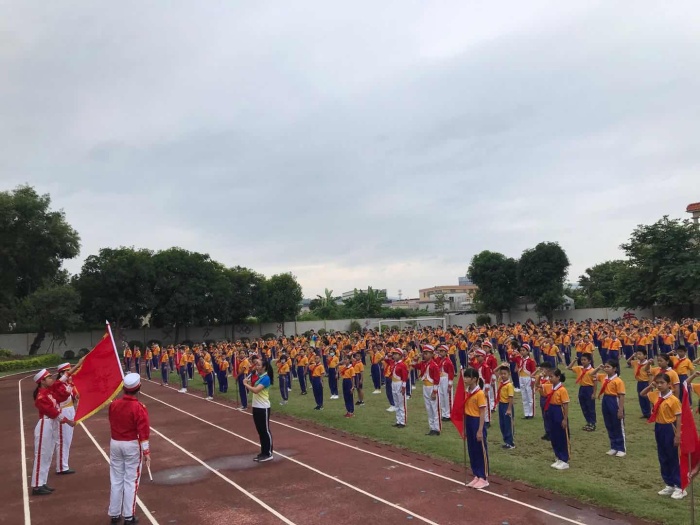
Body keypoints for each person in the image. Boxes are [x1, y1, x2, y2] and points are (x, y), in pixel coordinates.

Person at [108, 373, 150, 524]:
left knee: (116, 479)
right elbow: (143, 431)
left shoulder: (114, 404)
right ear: (139, 388)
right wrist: (146, 451)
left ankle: (114, 513)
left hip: (115, 442)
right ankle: (128, 516)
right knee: (131, 480)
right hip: (131, 444)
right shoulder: (139, 407)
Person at [31, 369, 76, 496]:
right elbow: (52, 412)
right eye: (49, 378)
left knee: (48, 455)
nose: (52, 379)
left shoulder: (49, 391)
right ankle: (36, 485)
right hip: (45, 424)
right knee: (41, 455)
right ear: (42, 381)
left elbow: (60, 383)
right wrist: (68, 421)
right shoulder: (41, 396)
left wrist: (76, 367)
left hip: (51, 423)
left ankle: (42, 482)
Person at [640, 373, 685, 500]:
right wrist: (651, 386)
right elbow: (642, 394)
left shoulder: (673, 400)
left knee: (672, 456)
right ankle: (669, 483)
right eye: (657, 382)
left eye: (662, 383)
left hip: (669, 428)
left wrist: (677, 435)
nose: (659, 385)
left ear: (669, 384)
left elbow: (679, 417)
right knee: (662, 456)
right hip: (659, 427)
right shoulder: (656, 395)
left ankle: (679, 486)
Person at [54, 361, 84, 475]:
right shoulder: (59, 385)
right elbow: (64, 395)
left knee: (68, 440)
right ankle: (62, 467)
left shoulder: (69, 384)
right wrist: (71, 385)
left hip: (70, 410)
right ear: (62, 373)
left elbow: (75, 396)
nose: (70, 373)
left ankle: (63, 464)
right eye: (68, 371)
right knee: (63, 440)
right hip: (63, 412)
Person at [462, 367, 489, 489]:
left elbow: (482, 412)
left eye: (468, 377)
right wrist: (464, 427)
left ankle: (483, 477)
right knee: (472, 449)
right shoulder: (467, 392)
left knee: (480, 450)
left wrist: (480, 430)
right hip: (469, 420)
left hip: (477, 421)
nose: (465, 379)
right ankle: (476, 474)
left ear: (474, 379)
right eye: (465, 376)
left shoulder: (480, 394)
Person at [243, 359, 274, 462]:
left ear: (264, 367)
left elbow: (256, 390)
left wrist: (245, 384)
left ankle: (268, 453)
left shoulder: (266, 378)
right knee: (260, 431)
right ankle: (263, 452)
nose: (257, 366)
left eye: (259, 365)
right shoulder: (259, 377)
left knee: (265, 430)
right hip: (256, 406)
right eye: (256, 365)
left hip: (263, 407)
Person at [595, 359, 627, 457]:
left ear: (614, 369)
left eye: (608, 367)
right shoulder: (603, 377)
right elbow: (591, 374)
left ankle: (621, 448)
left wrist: (620, 410)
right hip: (606, 399)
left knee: (617, 424)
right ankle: (614, 446)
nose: (606, 368)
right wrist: (598, 368)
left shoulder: (618, 381)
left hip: (614, 400)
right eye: (605, 367)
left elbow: (621, 396)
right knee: (609, 424)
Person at [544, 369, 570, 470]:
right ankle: (558, 456)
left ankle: (564, 459)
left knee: (561, 436)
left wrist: (565, 419)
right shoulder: (550, 387)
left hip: (559, 411)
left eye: (552, 377)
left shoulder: (562, 390)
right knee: (554, 435)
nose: (550, 379)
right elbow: (537, 385)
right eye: (549, 377)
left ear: (558, 377)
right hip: (551, 411)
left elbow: (565, 405)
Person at [566, 352, 596, 431]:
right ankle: (588, 421)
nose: (583, 361)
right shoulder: (579, 368)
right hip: (582, 388)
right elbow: (569, 368)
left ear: (589, 361)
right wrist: (574, 360)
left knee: (590, 407)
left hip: (589, 388)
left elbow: (595, 383)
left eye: (585, 360)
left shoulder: (593, 370)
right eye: (582, 360)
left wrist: (594, 393)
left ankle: (592, 423)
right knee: (583, 406)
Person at [417, 345, 441, 436]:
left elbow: (436, 379)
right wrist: (416, 358)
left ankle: (437, 428)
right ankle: (431, 427)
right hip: (425, 387)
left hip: (432, 387)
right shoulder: (423, 363)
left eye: (426, 353)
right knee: (428, 408)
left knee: (435, 408)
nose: (424, 355)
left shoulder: (434, 365)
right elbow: (414, 365)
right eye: (424, 353)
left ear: (431, 354)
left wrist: (434, 392)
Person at [495, 365, 515, 449]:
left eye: (505, 374)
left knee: (508, 424)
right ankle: (506, 441)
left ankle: (510, 443)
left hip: (507, 405)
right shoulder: (501, 381)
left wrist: (509, 409)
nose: (503, 375)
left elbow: (511, 398)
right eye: (501, 374)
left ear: (509, 374)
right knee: (502, 424)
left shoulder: (509, 385)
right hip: (501, 404)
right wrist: (501, 366)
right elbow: (494, 371)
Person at [390, 348, 409, 427]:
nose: (394, 356)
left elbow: (405, 376)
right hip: (394, 383)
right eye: (394, 354)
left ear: (400, 355)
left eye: (396, 354)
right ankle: (398, 420)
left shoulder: (402, 365)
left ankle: (403, 421)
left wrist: (403, 387)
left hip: (399, 383)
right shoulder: (394, 363)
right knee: (396, 403)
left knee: (401, 403)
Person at [438, 345, 455, 422]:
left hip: (446, 379)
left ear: (446, 352)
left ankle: (449, 414)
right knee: (442, 396)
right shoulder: (441, 360)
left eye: (442, 351)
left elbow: (451, 373)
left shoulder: (448, 361)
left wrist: (450, 383)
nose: (440, 353)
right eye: (440, 351)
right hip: (441, 379)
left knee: (447, 397)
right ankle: (444, 413)